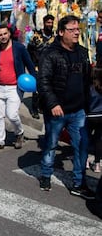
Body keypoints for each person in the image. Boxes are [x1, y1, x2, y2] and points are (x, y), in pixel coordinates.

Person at [37, 15, 94, 199]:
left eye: (78, 29)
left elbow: (87, 81)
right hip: (57, 111)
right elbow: (43, 81)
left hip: (78, 111)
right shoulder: (50, 53)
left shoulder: (83, 52)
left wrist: (88, 104)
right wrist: (53, 103)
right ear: (61, 32)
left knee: (81, 146)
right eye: (72, 29)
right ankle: (46, 174)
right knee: (51, 144)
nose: (77, 32)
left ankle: (79, 183)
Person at [0, 24, 36, 150]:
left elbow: (30, 64)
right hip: (0, 87)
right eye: (0, 35)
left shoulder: (19, 48)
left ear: (9, 34)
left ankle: (19, 133)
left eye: (5, 34)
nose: (3, 37)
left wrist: (36, 80)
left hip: (15, 87)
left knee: (12, 114)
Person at [28, 14, 55, 119]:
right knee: (36, 89)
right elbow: (29, 51)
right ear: (44, 23)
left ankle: (42, 107)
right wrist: (32, 64)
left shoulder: (54, 37)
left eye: (51, 23)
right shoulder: (36, 36)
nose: (50, 24)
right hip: (37, 66)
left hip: (49, 67)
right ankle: (34, 109)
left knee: (47, 88)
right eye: (48, 22)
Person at [86, 66, 102, 173]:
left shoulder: (89, 88)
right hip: (101, 116)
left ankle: (85, 160)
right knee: (98, 140)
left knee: (86, 139)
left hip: (90, 115)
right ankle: (97, 164)